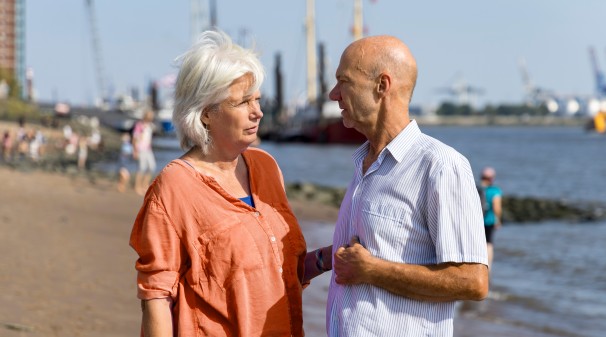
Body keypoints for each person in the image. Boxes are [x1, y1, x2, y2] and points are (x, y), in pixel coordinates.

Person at [129, 30, 330, 337]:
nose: (258, 112)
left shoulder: (266, 168)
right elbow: (156, 297)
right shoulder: (175, 186)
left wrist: (329, 258)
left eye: (258, 99)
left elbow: (282, 271)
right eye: (243, 102)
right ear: (206, 113)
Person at [325, 35, 489, 337]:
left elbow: (473, 281)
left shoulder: (441, 166)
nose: (333, 94)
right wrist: (314, 262)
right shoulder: (365, 163)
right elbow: (380, 246)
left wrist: (372, 270)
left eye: (343, 81)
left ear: (382, 86)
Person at [479, 166, 502, 270]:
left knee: (479, 243)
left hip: (477, 221)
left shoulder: (476, 188)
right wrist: (498, 219)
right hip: (489, 220)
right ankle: (488, 266)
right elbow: (497, 207)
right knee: (489, 244)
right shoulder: (495, 191)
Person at [132, 109, 157, 195]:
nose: (151, 117)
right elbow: (135, 138)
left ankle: (145, 184)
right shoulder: (139, 125)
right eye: (149, 116)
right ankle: (137, 186)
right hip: (141, 149)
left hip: (148, 149)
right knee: (141, 168)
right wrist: (135, 150)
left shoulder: (150, 126)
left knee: (152, 166)